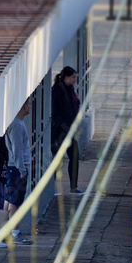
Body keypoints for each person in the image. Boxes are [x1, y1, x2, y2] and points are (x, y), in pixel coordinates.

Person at [4, 99, 33, 245]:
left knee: (9, 199)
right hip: (16, 168)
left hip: (14, 168)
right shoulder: (16, 124)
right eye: (28, 103)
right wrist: (22, 170)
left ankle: (4, 229)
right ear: (22, 106)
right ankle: (15, 232)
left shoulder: (17, 123)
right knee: (15, 201)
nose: (30, 106)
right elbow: (17, 150)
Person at [51, 66, 82, 195]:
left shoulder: (70, 90)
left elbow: (72, 108)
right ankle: (52, 188)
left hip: (69, 130)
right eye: (73, 77)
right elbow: (56, 112)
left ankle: (73, 186)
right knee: (57, 160)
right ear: (66, 77)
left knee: (74, 156)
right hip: (60, 131)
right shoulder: (57, 91)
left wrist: (78, 100)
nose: (75, 80)